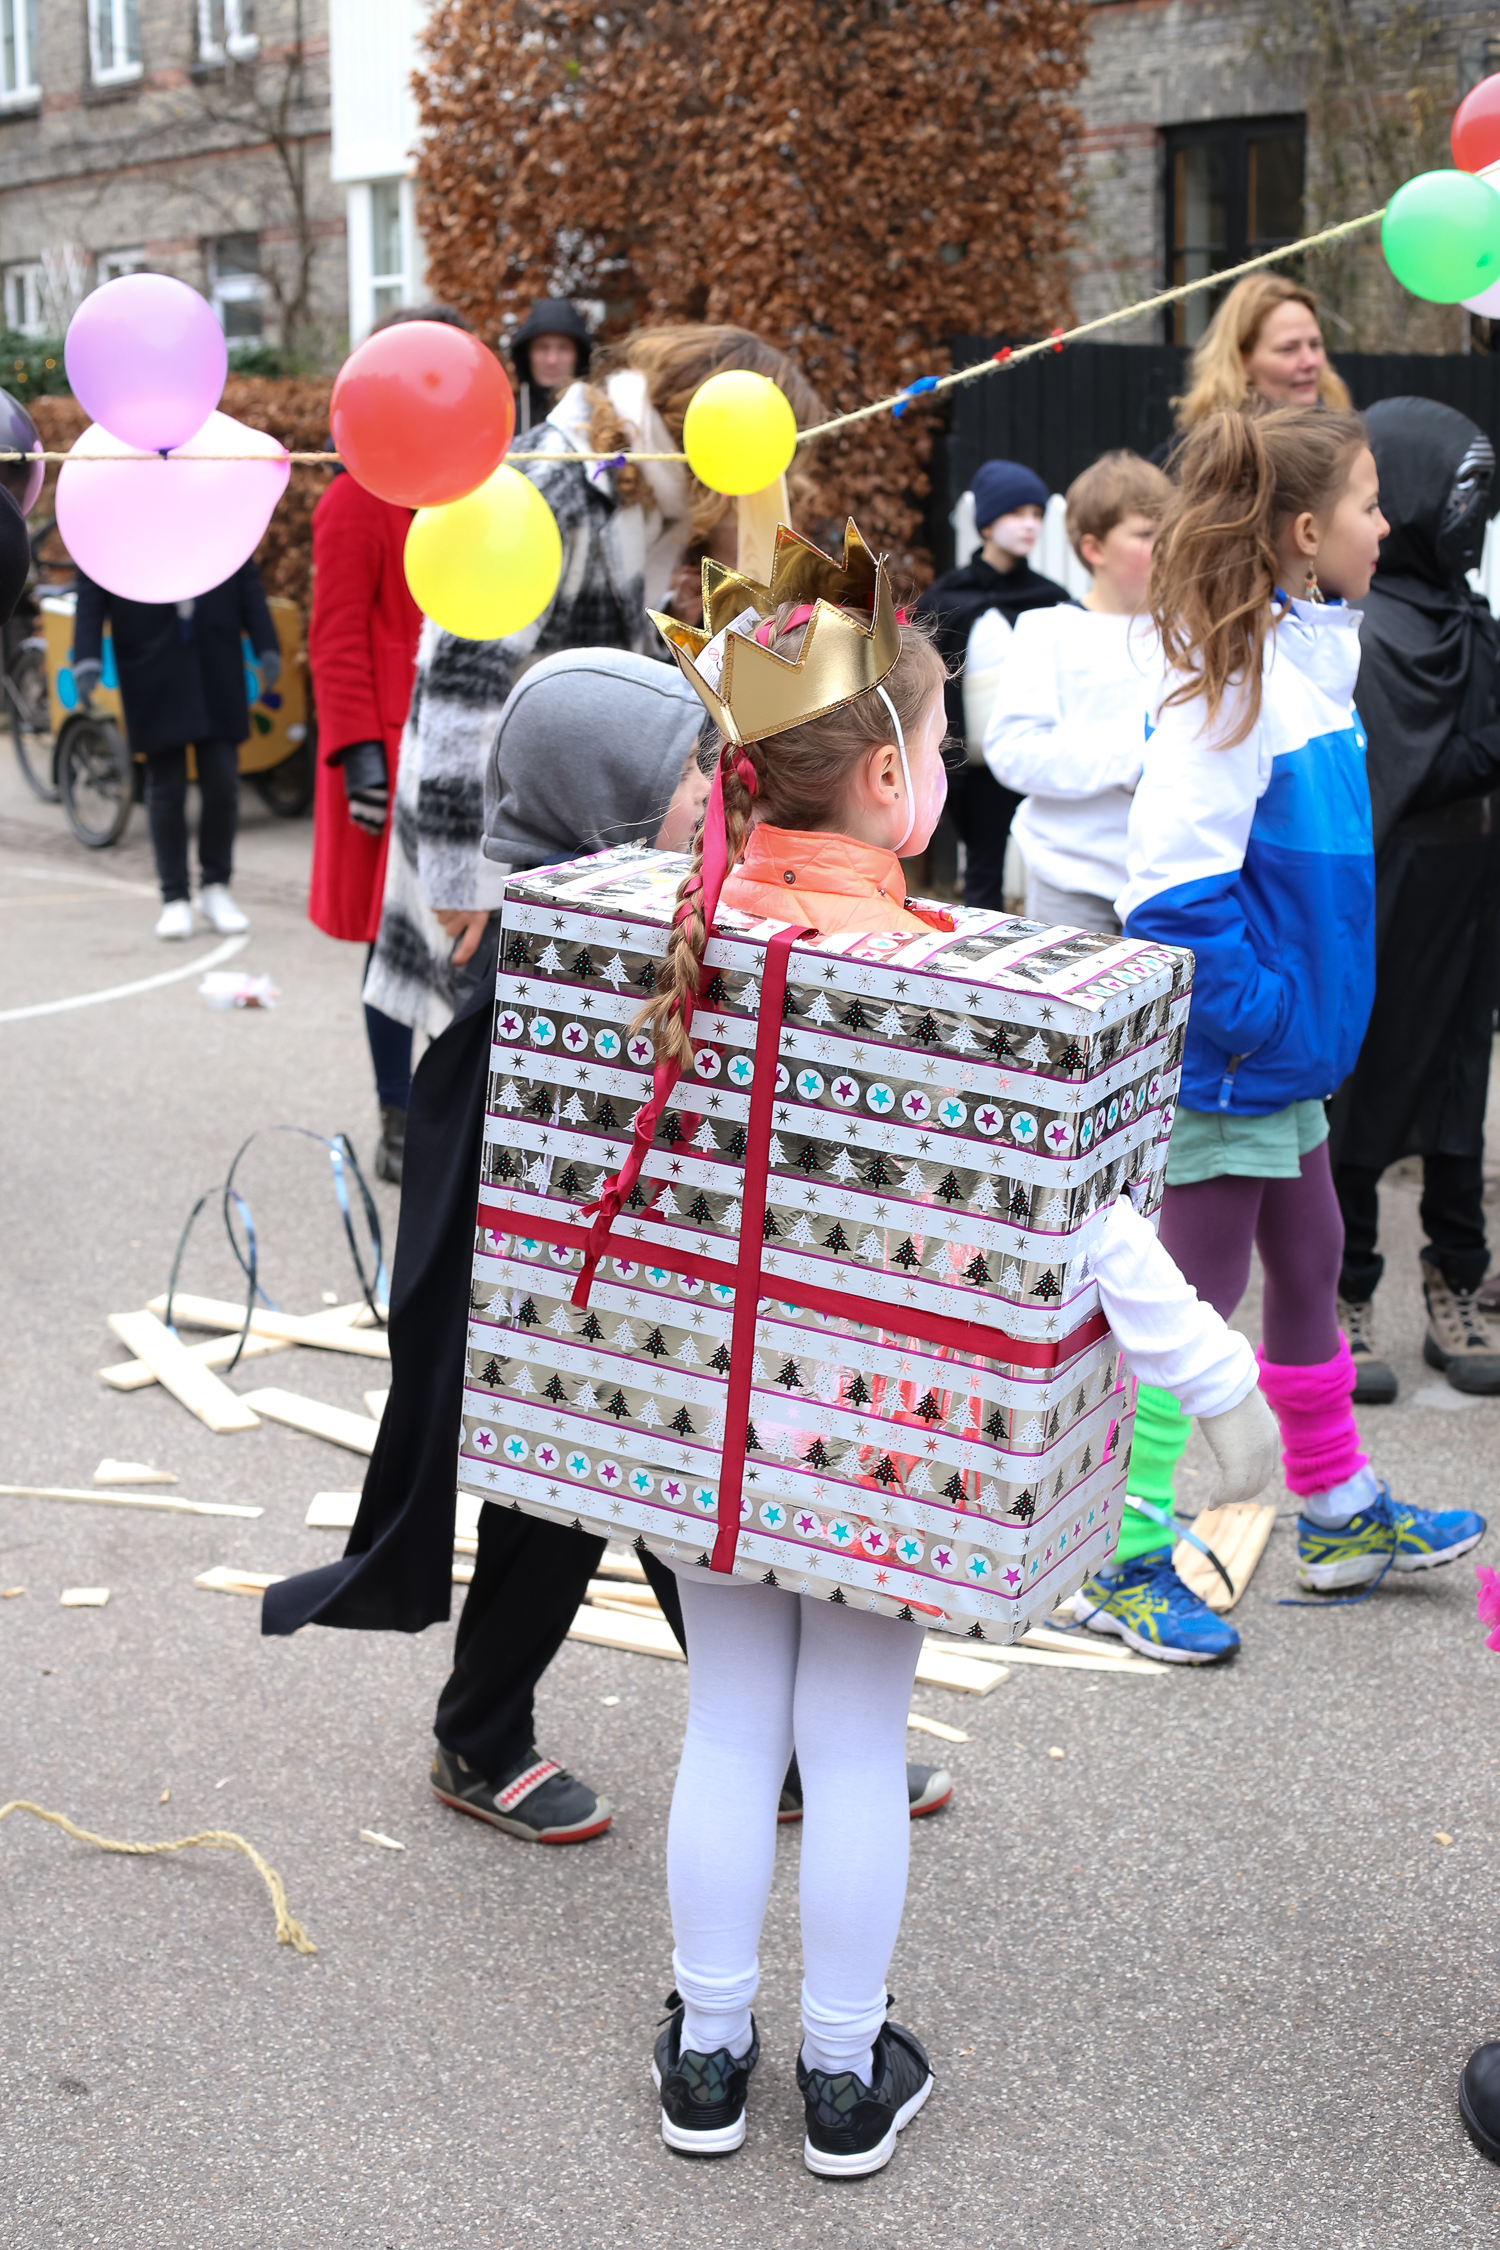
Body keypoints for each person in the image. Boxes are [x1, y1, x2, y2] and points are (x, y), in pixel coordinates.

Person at [632, 532, 1277, 2177]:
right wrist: (1221, 1387)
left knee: (726, 1724)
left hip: (701, 1410)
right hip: (885, 1431)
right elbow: (1087, 1223)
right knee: (849, 1747)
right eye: (935, 748)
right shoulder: (941, 977)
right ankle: (841, 2083)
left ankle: (708, 2061)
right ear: (882, 775)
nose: (949, 772)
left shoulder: (673, 939)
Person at [265, 648, 955, 1839]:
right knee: (565, 1504)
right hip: (557, 1308)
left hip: (647, 1285)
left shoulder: (667, 918)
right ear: (607, 808)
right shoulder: (536, 980)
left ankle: (782, 1742)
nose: (724, 796)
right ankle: (479, 1737)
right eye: (699, 782)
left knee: (682, 1486)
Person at [1091, 406, 1484, 1630]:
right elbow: (1166, 894)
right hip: (1233, 1068)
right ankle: (1123, 1554)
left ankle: (1336, 1510)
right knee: (1189, 1317)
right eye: (1371, 506)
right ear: (1309, 533)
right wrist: (1263, 1022)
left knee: (1309, 1271)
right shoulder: (1233, 685)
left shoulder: (1298, 662)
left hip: (1278, 1065)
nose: (1388, 525)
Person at [363, 323, 824, 1040]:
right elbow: (459, 685)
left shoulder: (640, 493)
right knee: (477, 1058)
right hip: (496, 838)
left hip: (552, 823)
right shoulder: (561, 483)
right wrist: (460, 880)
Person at [1326, 400, 1500, 1403]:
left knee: (1459, 1089)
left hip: (1474, 891)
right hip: (1398, 890)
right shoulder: (1374, 626)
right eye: (1459, 489)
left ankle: (1455, 1281)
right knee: (1372, 1085)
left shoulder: (1463, 613)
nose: (1470, 513)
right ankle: (1344, 1294)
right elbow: (1394, 774)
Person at [307, 306, 469, 1184]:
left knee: (464, 938)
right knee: (391, 945)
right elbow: (333, 640)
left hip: (459, 752)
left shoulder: (473, 494)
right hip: (385, 754)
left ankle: (453, 1113)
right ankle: (396, 1116)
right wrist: (359, 758)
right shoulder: (351, 499)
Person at [984, 449, 1169, 933]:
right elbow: (1012, 751)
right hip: (1073, 881)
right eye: (1148, 535)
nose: (1166, 547)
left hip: (1169, 881)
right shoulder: (1048, 630)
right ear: (1094, 549)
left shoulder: (1191, 635)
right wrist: (1133, 757)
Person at [72, 561, 278, 939]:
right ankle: (174, 896)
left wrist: (266, 641)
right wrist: (86, 654)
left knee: (222, 782)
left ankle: (217, 887)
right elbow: (94, 576)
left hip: (215, 656)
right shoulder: (121, 511)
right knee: (166, 787)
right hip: (152, 660)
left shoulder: (209, 505)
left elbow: (242, 568)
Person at [913, 457, 1069, 908]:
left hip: (1039, 751)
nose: (1029, 525)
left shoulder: (1050, 599)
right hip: (972, 762)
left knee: (1050, 864)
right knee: (982, 870)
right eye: (1016, 513)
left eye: (1037, 514)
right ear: (984, 524)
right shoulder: (947, 597)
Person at [1169, 274, 1352, 439]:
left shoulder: (1345, 445)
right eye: (1288, 349)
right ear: (1241, 360)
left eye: (1315, 345)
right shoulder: (1197, 460)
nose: (1311, 361)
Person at [507, 297, 593, 432]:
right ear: (526, 355)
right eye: (542, 347)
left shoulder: (598, 423)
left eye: (563, 348)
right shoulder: (506, 421)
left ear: (579, 357)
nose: (551, 360)